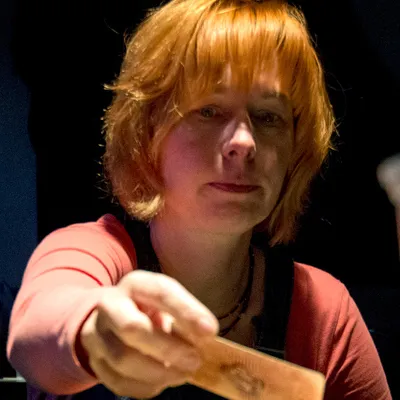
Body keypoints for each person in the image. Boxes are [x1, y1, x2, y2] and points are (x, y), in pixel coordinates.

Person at [7, 0, 392, 399]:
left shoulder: (323, 310)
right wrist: (96, 332)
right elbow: (35, 334)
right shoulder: (92, 251)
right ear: (147, 133)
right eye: (208, 111)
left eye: (268, 116)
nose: (244, 142)